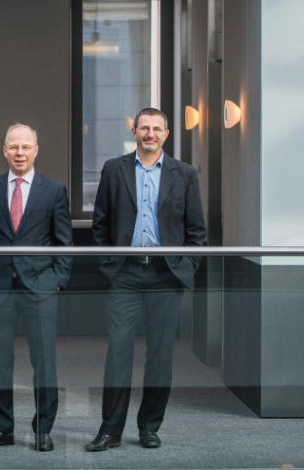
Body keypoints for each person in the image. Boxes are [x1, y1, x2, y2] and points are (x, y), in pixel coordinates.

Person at [85, 108, 205, 451]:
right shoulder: (114, 169)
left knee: (161, 355)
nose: (150, 134)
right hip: (124, 273)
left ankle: (150, 427)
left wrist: (186, 266)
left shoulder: (185, 174)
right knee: (118, 351)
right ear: (134, 132)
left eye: (157, 128)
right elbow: (100, 224)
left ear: (166, 134)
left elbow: (196, 231)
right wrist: (108, 264)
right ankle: (110, 431)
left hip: (166, 274)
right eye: (144, 128)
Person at [0, 123, 73, 452]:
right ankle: (1, 428)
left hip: (40, 287)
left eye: (26, 147)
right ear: (4, 151)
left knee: (44, 362)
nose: (20, 153)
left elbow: (64, 242)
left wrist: (57, 281)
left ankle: (43, 429)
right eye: (13, 147)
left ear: (36, 151)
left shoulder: (53, 190)